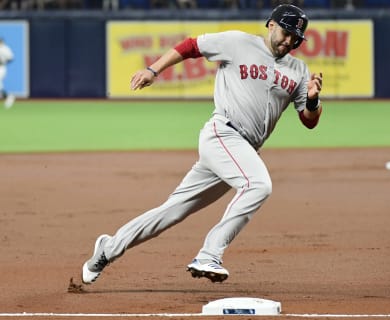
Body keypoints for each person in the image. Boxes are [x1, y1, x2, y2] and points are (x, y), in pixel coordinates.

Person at [81, 4, 323, 284]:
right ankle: (210, 254)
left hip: (241, 151)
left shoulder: (299, 70)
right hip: (223, 134)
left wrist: (314, 100)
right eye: (286, 33)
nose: (289, 41)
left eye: (296, 38)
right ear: (271, 25)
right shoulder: (237, 42)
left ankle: (108, 248)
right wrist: (153, 69)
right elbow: (191, 45)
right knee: (258, 185)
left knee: (172, 211)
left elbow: (309, 121)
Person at [0, 38, 15, 109]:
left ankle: (8, 96)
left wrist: (4, 61)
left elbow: (11, 58)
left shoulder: (5, 49)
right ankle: (8, 96)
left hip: (1, 68)